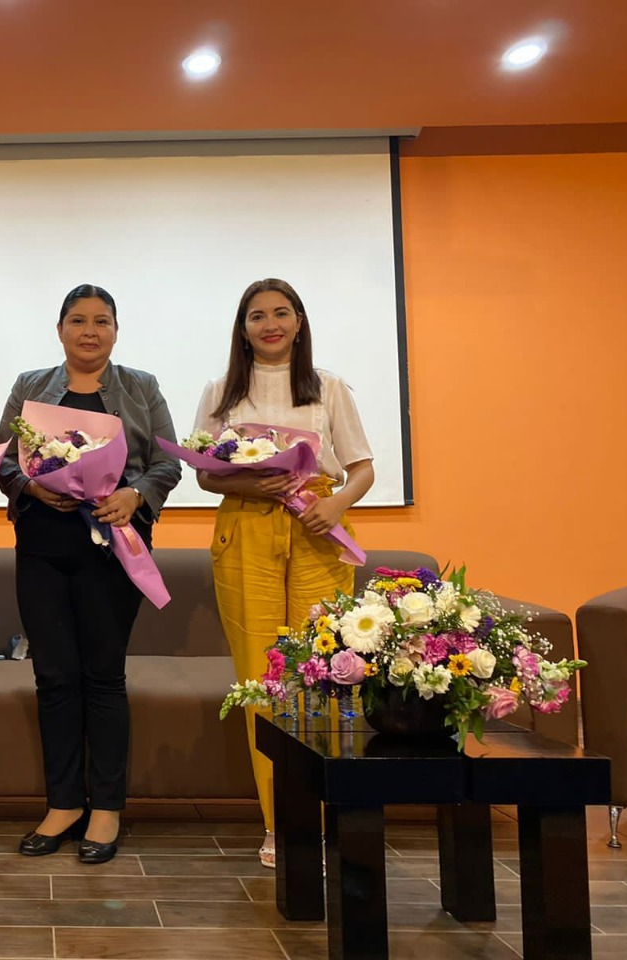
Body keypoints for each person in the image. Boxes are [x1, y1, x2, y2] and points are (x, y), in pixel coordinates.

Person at [0, 283, 181, 865]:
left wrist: (136, 495)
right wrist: (30, 484)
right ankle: (64, 803)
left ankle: (106, 807)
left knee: (102, 677)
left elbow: (169, 461)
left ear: (116, 331)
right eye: (78, 320)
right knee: (53, 677)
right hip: (44, 547)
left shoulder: (140, 386)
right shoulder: (30, 386)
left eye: (102, 321)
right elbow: (0, 460)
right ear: (60, 330)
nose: (90, 331)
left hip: (115, 547)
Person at [192, 278, 374, 867]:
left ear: (299, 322)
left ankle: (325, 820)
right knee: (264, 682)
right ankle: (281, 824)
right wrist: (251, 481)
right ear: (242, 329)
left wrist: (336, 505)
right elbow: (205, 475)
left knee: (323, 678)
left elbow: (362, 469)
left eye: (281, 313)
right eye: (256, 316)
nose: (269, 324)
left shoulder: (329, 387)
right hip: (245, 528)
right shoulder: (221, 390)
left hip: (316, 530)